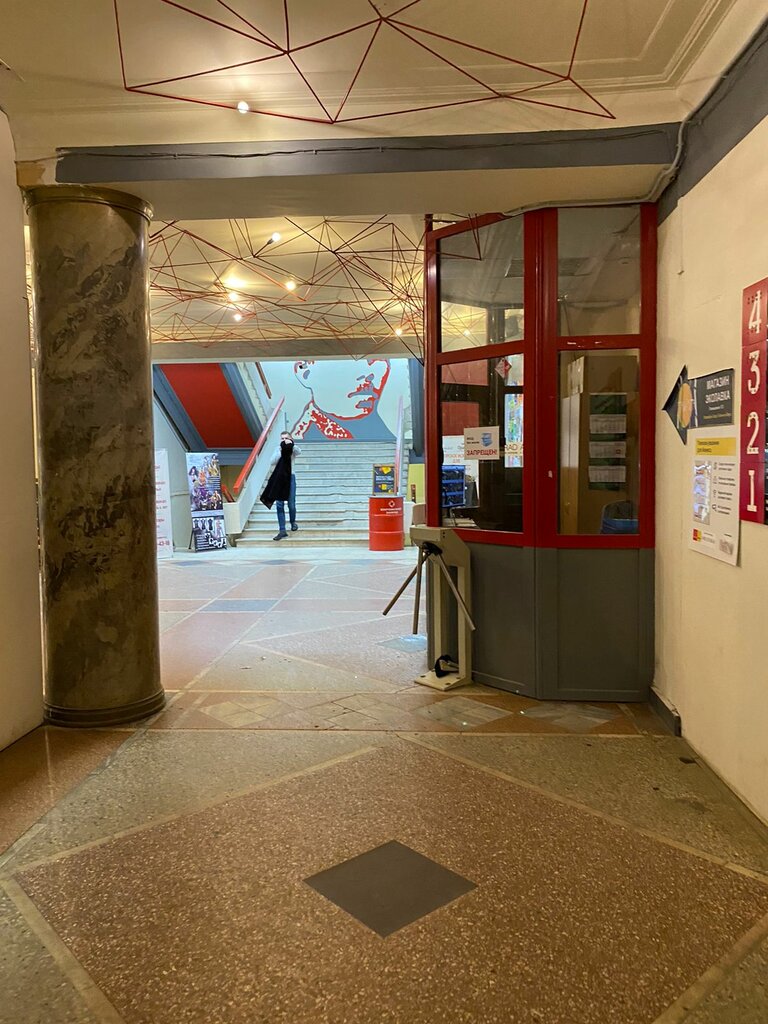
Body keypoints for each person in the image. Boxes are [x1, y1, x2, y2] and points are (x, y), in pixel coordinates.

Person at [291, 358, 393, 440]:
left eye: (379, 361)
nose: (370, 376)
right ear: (305, 373)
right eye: (355, 360)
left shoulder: (386, 433)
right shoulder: (303, 436)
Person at [260, 431, 301, 540]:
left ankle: (293, 522)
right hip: (279, 478)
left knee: (291, 504)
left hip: (290, 477)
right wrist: (281, 450)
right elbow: (272, 461)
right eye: (282, 438)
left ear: (290, 439)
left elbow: (298, 452)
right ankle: (282, 530)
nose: (284, 440)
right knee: (279, 504)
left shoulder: (293, 448)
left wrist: (291, 445)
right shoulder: (278, 449)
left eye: (286, 438)